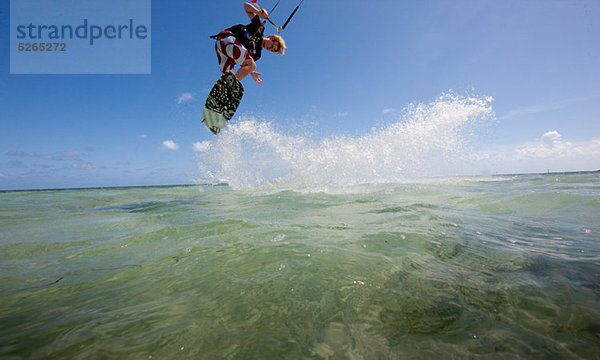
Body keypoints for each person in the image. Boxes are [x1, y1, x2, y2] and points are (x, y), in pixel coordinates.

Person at [211, 2, 286, 84]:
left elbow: (244, 63)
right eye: (272, 45)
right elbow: (246, 6)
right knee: (252, 66)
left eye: (271, 50)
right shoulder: (259, 28)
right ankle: (231, 86)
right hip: (226, 39)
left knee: (229, 78)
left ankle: (226, 89)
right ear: (271, 38)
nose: (269, 48)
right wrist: (258, 12)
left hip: (221, 50)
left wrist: (251, 72)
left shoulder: (257, 54)